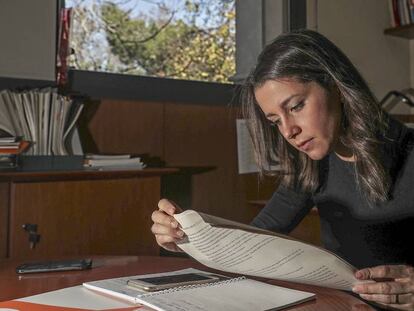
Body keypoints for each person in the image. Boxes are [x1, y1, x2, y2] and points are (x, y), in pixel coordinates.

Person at [151, 29, 414, 310]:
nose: (289, 131)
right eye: (275, 120)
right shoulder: (312, 167)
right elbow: (249, 244)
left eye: (297, 106)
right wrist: (185, 238)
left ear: (335, 87)